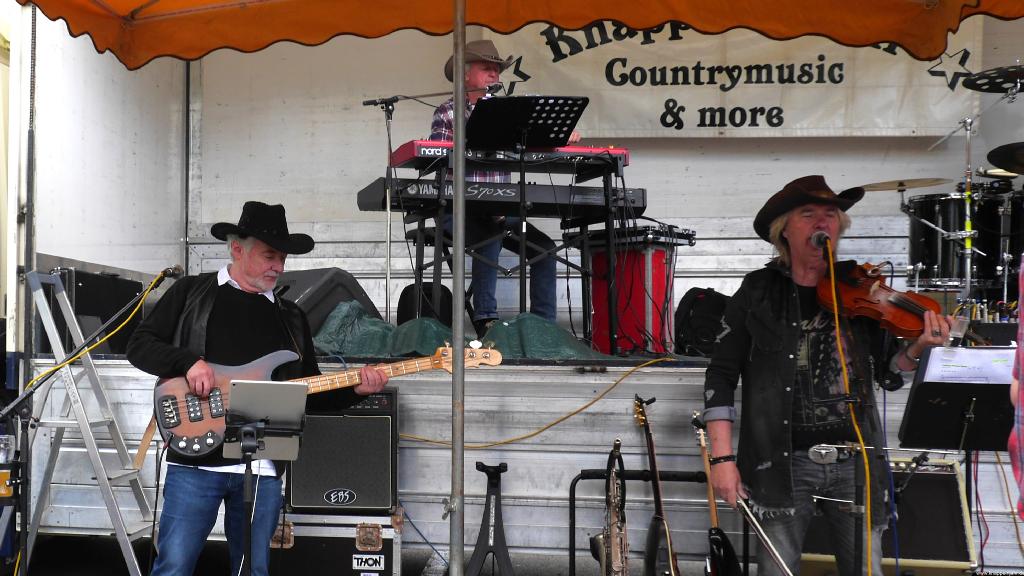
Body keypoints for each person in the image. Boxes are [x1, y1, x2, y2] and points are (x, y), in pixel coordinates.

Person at [702, 175, 952, 576]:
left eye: (831, 215)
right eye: (809, 214)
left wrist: (919, 348)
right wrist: (722, 459)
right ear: (785, 230)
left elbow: (890, 371)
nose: (823, 223)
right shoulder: (757, 291)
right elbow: (721, 374)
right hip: (779, 463)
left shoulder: (861, 288)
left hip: (856, 463)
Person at [127, 201, 388, 576]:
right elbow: (139, 345)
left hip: (262, 464)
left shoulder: (291, 317)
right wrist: (186, 363)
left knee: (254, 570)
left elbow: (307, 392)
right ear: (237, 248)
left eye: (282, 258)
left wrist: (356, 390)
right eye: (270, 256)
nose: (279, 267)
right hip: (195, 461)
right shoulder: (190, 293)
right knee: (174, 568)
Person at [429, 39, 571, 336]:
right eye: (486, 69)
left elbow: (528, 149)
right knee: (491, 230)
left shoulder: (509, 113)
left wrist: (556, 139)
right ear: (465, 75)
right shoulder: (448, 113)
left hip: (502, 209)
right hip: (460, 210)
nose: (494, 74)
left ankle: (544, 327)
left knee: (544, 249)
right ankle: (486, 319)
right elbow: (438, 160)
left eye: (497, 70)